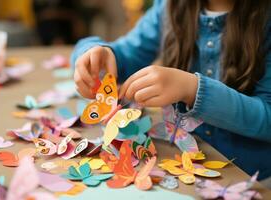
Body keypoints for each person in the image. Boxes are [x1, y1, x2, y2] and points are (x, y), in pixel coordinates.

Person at [71, 0, 271, 181]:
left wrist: (192, 89)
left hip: (251, 178)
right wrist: (94, 53)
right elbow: (126, 53)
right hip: (181, 166)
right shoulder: (169, 6)